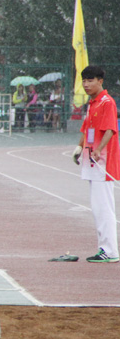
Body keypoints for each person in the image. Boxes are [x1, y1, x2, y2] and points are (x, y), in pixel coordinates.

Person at [71, 65, 119, 263]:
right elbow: (86, 129)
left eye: (90, 80)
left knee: (104, 206)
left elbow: (110, 129)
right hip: (91, 161)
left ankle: (110, 250)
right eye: (84, 81)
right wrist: (79, 147)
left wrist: (99, 149)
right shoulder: (93, 103)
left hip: (103, 163)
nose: (86, 84)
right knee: (97, 207)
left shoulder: (107, 102)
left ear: (100, 81)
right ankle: (104, 248)